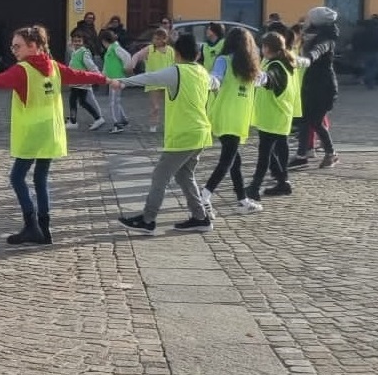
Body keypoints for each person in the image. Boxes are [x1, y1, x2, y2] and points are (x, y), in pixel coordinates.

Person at [0, 25, 107, 244]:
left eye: (17, 46)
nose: (13, 50)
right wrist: (105, 79)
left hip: (32, 133)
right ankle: (44, 229)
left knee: (17, 178)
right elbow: (78, 75)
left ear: (33, 46)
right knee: (40, 179)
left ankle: (31, 226)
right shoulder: (53, 66)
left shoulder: (22, 70)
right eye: (12, 46)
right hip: (51, 132)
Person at [113, 34, 214, 235]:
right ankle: (200, 218)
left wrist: (122, 81)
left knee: (160, 176)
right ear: (197, 54)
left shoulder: (177, 71)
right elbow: (215, 84)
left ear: (176, 53)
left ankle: (148, 220)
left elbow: (150, 77)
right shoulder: (202, 72)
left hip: (183, 135)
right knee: (185, 176)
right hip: (201, 132)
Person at [203, 27, 261, 214]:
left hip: (226, 116)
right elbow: (216, 79)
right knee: (227, 160)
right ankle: (204, 195)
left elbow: (216, 79)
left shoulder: (232, 62)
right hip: (233, 118)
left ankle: (242, 199)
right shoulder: (245, 65)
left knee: (234, 159)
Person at [245, 31, 298, 202]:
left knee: (265, 154)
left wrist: (259, 77)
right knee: (274, 152)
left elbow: (270, 79)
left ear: (267, 48)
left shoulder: (277, 66)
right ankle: (283, 182)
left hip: (273, 117)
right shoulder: (283, 62)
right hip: (278, 115)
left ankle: (255, 187)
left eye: (262, 46)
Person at [290, 7, 340, 169]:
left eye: (310, 18)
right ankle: (302, 155)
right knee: (304, 119)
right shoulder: (310, 35)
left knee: (316, 122)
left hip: (323, 85)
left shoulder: (326, 39)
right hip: (311, 83)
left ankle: (331, 154)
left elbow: (318, 51)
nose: (307, 21)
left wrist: (307, 59)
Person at [133, 28, 174, 134]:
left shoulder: (170, 50)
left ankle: (170, 125)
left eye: (158, 39)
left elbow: (176, 64)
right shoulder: (150, 49)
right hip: (153, 81)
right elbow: (138, 55)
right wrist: (132, 63)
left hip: (167, 81)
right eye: (154, 38)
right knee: (155, 106)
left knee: (170, 106)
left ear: (164, 40)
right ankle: (153, 125)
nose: (155, 41)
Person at [66, 31, 105, 130]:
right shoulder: (75, 52)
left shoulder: (84, 52)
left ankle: (76, 121)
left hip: (81, 82)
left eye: (79, 41)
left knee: (76, 101)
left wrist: (98, 75)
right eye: (75, 41)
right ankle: (95, 118)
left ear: (83, 42)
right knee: (79, 101)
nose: (77, 43)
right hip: (76, 82)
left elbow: (91, 65)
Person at [98, 29, 131, 132]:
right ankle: (123, 119)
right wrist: (103, 76)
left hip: (117, 78)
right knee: (116, 100)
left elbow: (127, 56)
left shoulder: (115, 48)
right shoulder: (111, 49)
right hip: (113, 78)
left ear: (103, 41)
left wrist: (126, 68)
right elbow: (107, 65)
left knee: (113, 102)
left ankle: (117, 124)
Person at [351, 17, 378, 90]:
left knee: (368, 68)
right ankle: (368, 79)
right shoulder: (376, 31)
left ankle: (370, 84)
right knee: (377, 67)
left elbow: (359, 42)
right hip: (375, 51)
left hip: (366, 52)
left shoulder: (363, 32)